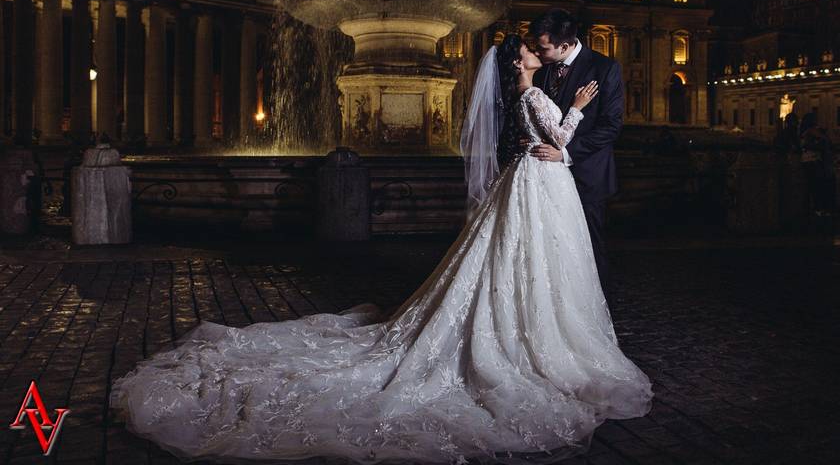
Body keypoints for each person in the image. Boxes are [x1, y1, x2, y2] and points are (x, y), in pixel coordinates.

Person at [109, 34, 654, 465]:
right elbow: (558, 139)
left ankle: (524, 320)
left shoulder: (522, 90)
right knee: (528, 260)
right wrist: (578, 107)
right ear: (521, 60)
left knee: (510, 258)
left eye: (541, 44)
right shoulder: (532, 90)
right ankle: (535, 328)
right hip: (538, 180)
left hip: (528, 183)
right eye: (533, 47)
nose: (539, 49)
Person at [527, 8, 624, 302]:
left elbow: (611, 126)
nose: (537, 52)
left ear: (565, 45)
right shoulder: (542, 69)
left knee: (590, 248)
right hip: (546, 175)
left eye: (543, 47)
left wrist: (565, 153)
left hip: (586, 176)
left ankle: (598, 314)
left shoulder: (605, 68)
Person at [799, 112, 836, 217]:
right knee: (818, 186)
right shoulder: (811, 132)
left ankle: (817, 208)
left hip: (809, 162)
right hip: (814, 162)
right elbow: (823, 143)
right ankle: (820, 208)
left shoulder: (805, 132)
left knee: (814, 187)